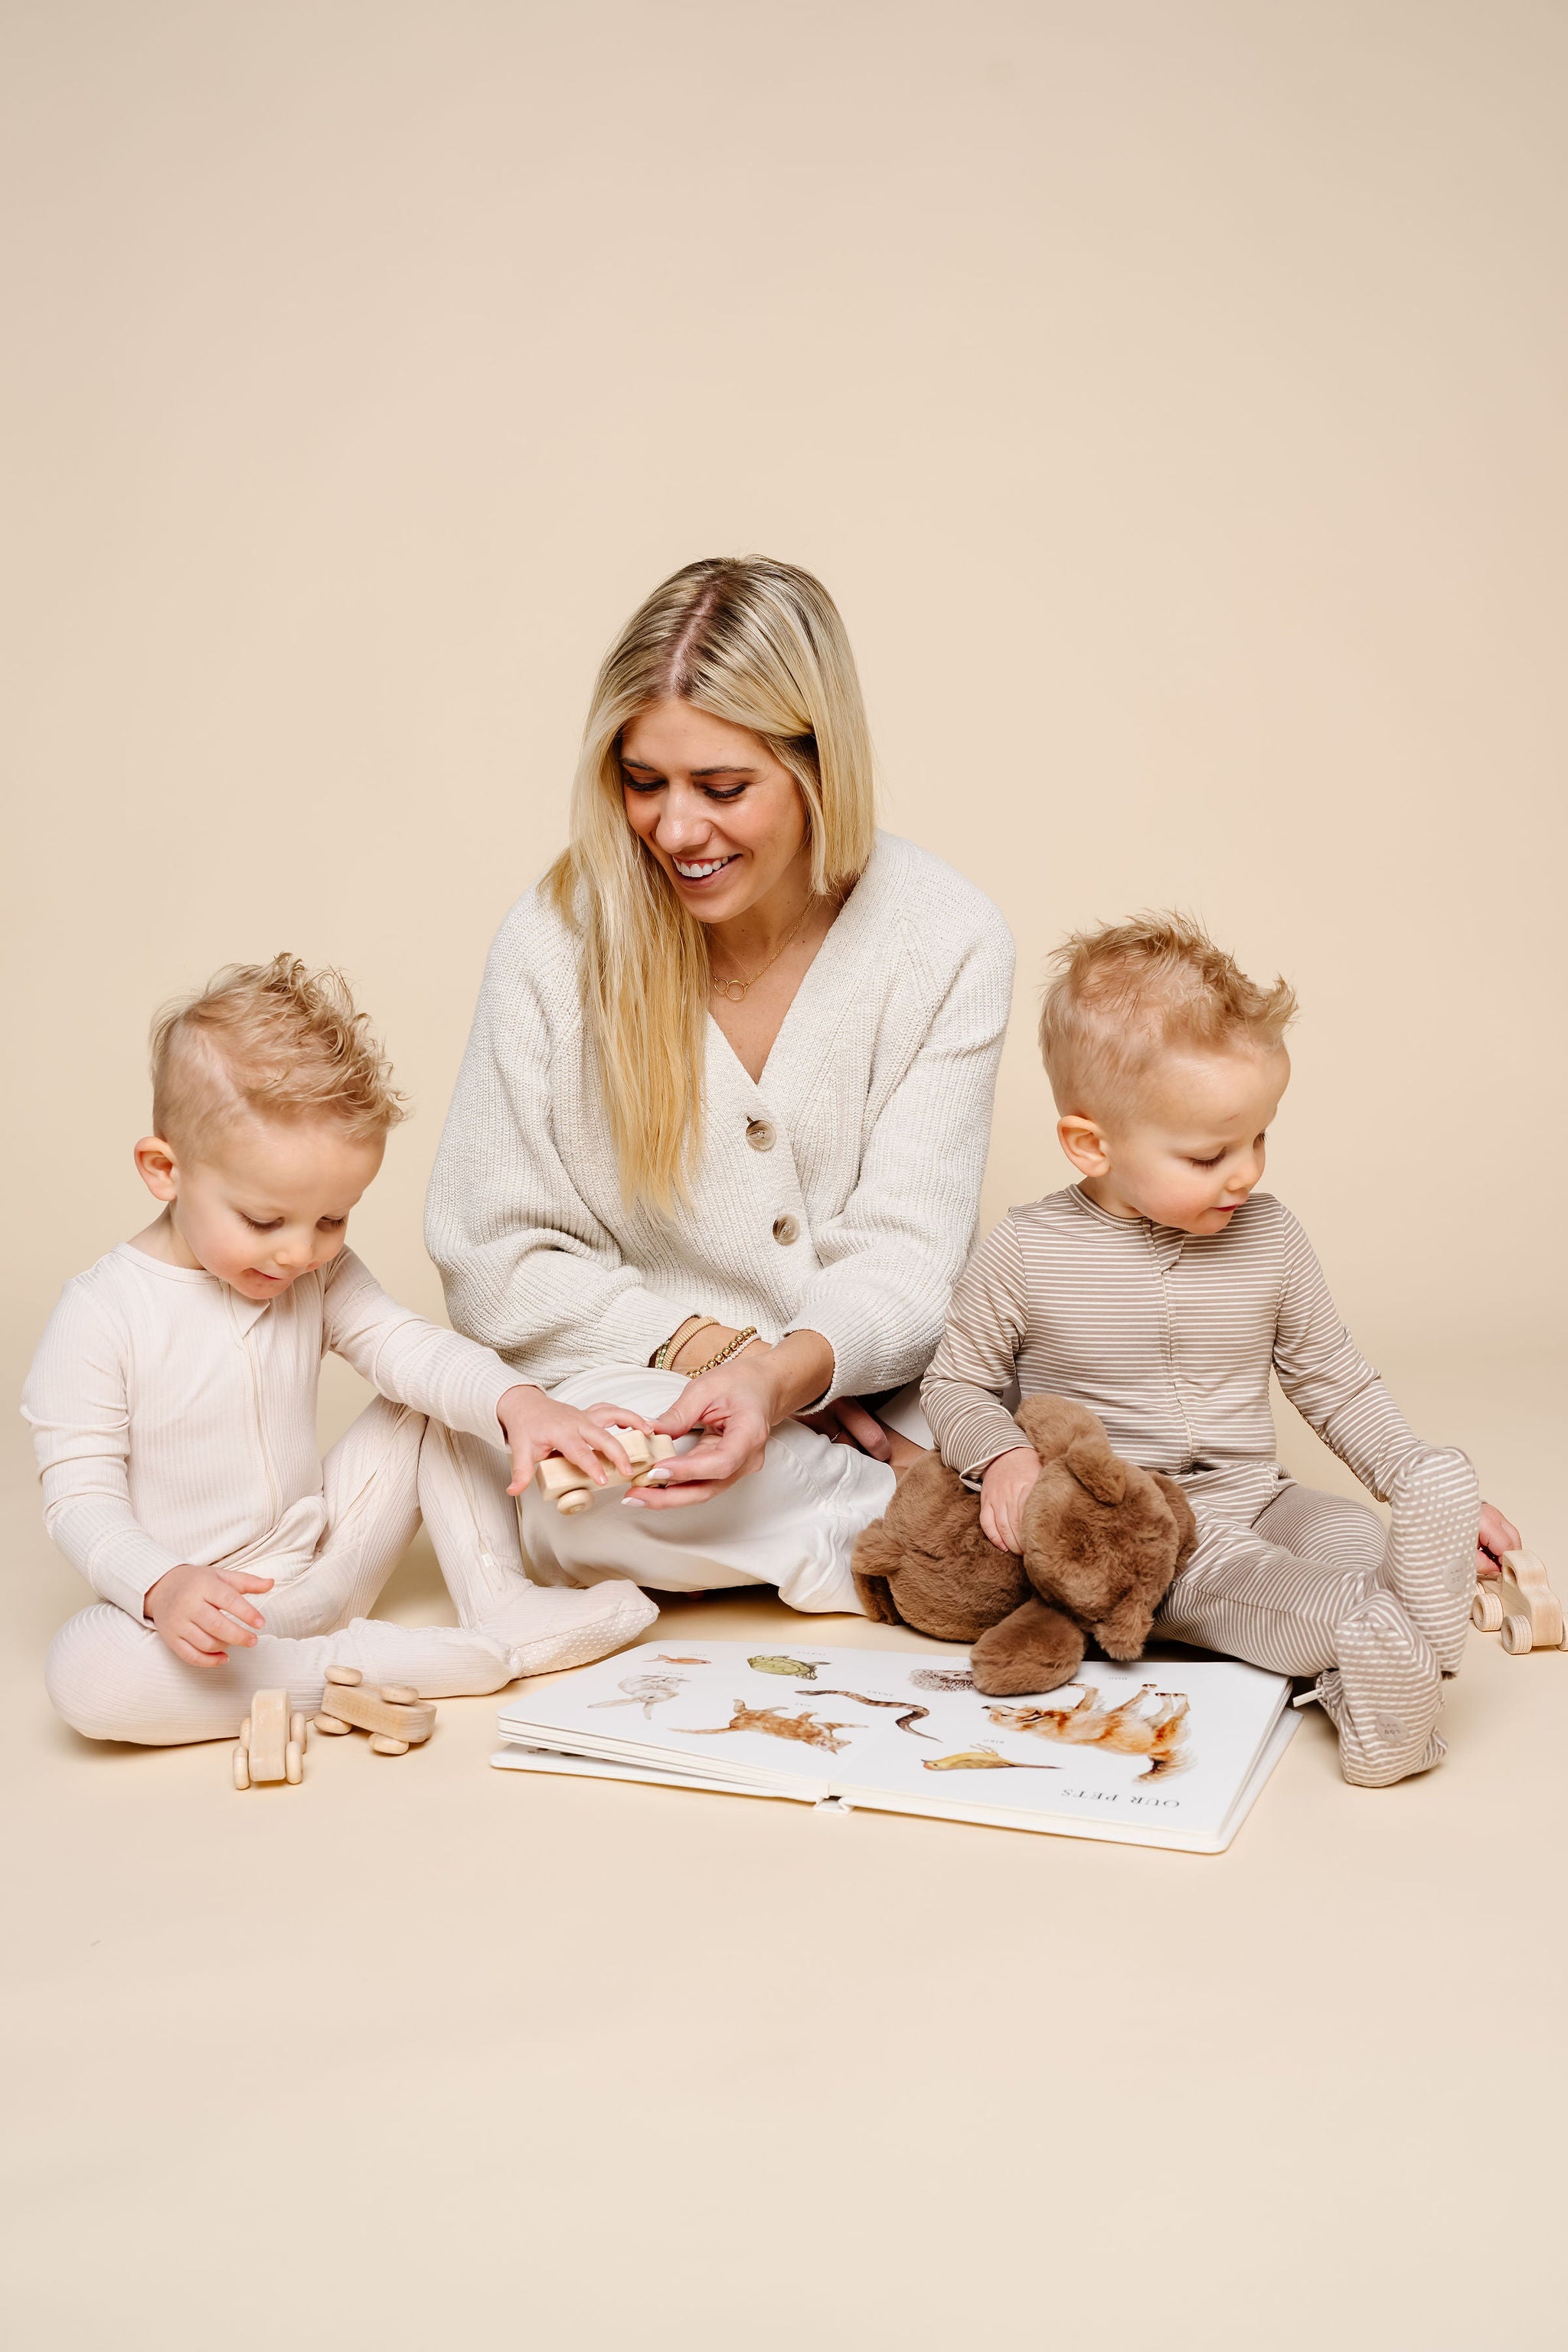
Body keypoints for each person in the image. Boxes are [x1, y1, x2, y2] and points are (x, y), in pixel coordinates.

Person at [425, 554, 1015, 1612]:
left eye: (724, 788)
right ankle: (938, 1539)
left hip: (881, 1387)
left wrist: (792, 1376)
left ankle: (916, 1519)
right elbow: (495, 1257)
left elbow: (910, 1257)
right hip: (644, 1393)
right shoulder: (555, 942)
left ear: (819, 766)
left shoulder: (949, 937)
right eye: (643, 782)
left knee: (1070, 1392)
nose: (676, 831)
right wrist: (732, 1360)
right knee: (588, 1497)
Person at [920, 913, 1521, 1788]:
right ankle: (1387, 1660)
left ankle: (1384, 1682)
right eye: (1208, 1155)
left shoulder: (1268, 1238)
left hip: (1261, 1495)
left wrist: (1413, 1484)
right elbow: (956, 1383)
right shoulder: (1024, 1250)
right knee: (1275, 1596)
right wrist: (1002, 1456)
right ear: (1092, 1145)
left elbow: (1335, 1384)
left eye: (1259, 1138)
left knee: (1351, 1535)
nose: (1246, 1173)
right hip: (1157, 1538)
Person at [26, 956, 657, 1746]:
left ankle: (500, 1603)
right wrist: (162, 1585)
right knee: (90, 1672)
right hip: (216, 1620)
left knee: (429, 1394)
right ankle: (357, 1668)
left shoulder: (313, 1274)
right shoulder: (100, 1315)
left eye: (332, 1220)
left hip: (331, 1558)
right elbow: (81, 1500)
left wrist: (521, 1405)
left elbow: (405, 1346)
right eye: (265, 1221)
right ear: (165, 1171)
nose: (299, 1254)